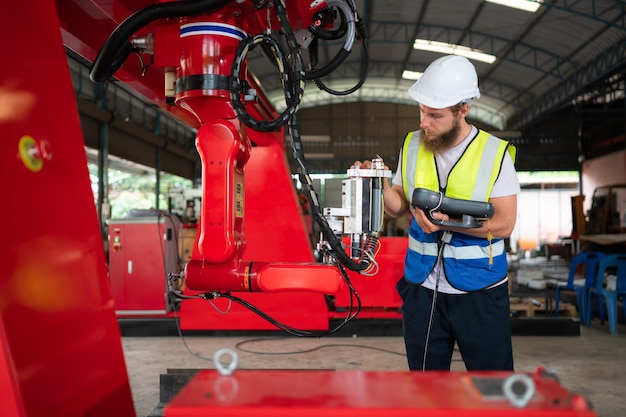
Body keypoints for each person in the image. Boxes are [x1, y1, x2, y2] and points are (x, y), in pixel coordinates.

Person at [353, 55, 520, 371]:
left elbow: (503, 224)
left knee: (493, 387)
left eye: (435, 115)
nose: (424, 122)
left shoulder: (494, 154)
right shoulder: (413, 145)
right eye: (421, 111)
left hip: (480, 290)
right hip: (423, 287)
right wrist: (377, 184)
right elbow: (399, 203)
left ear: (463, 110)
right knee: (425, 387)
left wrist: (450, 224)